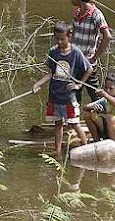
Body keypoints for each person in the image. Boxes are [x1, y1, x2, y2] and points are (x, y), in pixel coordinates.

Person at [33, 21, 93, 160]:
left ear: (69, 36)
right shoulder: (53, 52)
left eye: (62, 39)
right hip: (55, 96)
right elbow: (51, 73)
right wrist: (38, 84)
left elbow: (89, 69)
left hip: (69, 97)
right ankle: (58, 152)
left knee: (74, 123)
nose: (59, 42)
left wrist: (79, 85)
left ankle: (87, 148)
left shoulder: (75, 52)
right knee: (58, 124)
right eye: (57, 38)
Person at [68, 0, 112, 104]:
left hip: (88, 64)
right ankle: (75, 122)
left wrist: (94, 57)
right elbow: (73, 34)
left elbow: (107, 36)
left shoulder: (96, 14)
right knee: (74, 96)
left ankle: (104, 121)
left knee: (96, 96)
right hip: (75, 62)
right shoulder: (77, 12)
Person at [82, 73, 115, 147]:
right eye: (106, 88)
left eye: (111, 88)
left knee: (110, 118)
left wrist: (105, 95)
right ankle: (96, 142)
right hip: (110, 129)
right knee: (87, 114)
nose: (108, 90)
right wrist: (93, 107)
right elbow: (85, 107)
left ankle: (111, 146)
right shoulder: (105, 100)